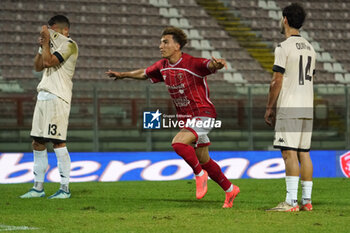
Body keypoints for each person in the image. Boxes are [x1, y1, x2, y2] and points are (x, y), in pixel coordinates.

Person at [106, 26, 240, 208]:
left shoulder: (192, 63)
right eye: (161, 42)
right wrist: (123, 75)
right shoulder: (162, 66)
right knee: (205, 160)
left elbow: (208, 65)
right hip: (187, 119)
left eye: (165, 42)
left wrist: (216, 64)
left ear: (177, 46)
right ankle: (230, 189)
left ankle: (199, 174)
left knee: (178, 143)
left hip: (204, 113)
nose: (161, 46)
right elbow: (144, 73)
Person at [20, 15, 78, 199]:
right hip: (43, 96)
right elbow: (38, 66)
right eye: (49, 31)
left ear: (64, 31)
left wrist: (46, 44)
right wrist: (41, 47)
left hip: (58, 97)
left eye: (54, 31)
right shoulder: (49, 46)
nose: (50, 34)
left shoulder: (70, 45)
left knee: (58, 142)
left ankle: (65, 188)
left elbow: (49, 62)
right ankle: (38, 187)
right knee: (37, 142)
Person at [264, 3, 316, 212]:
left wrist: (269, 107)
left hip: (290, 106)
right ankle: (306, 201)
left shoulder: (283, 47)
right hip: (307, 106)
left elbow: (277, 81)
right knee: (305, 153)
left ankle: (291, 202)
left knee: (289, 153)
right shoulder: (311, 48)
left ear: (285, 19)